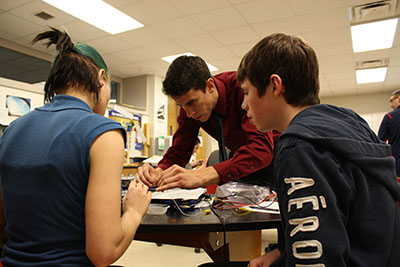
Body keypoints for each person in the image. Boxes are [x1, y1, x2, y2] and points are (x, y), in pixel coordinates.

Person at [236, 33, 400, 266]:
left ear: (274, 85)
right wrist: (281, 254)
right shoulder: (348, 120)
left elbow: (315, 260)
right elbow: (336, 224)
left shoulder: (299, 146)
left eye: (246, 92)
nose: (243, 105)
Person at [0, 28, 151, 266]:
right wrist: (134, 210)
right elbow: (103, 253)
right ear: (101, 78)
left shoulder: (12, 130)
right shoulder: (104, 132)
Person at [137, 56, 277, 191]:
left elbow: (261, 149)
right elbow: (180, 149)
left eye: (192, 103)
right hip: (243, 163)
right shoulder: (188, 110)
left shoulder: (242, 90)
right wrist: (158, 172)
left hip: (277, 159)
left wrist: (201, 175)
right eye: (182, 106)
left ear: (210, 86)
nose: (189, 113)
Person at [378, 89, 400, 177]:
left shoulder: (389, 117)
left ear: (399, 99)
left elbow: (380, 141)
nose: (390, 105)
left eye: (391, 101)